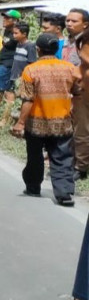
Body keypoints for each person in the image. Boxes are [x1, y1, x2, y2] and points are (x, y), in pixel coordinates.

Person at [11, 32, 80, 206]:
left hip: (36, 124)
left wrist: (20, 123)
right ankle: (64, 193)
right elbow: (79, 92)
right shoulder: (70, 68)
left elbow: (28, 100)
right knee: (62, 158)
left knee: (35, 157)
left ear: (38, 49)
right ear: (57, 48)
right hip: (62, 123)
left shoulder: (31, 70)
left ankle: (33, 187)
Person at [65, 10, 89, 178]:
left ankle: (81, 168)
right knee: (80, 130)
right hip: (79, 91)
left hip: (83, 90)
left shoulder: (84, 40)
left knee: (82, 131)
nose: (69, 23)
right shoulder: (72, 41)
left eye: (74, 21)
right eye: (68, 20)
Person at [8, 23, 38, 120]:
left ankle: (21, 120)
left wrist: (24, 77)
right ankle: (9, 118)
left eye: (16, 33)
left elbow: (31, 64)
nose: (14, 35)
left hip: (22, 78)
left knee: (21, 99)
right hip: (14, 76)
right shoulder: (18, 44)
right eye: (13, 33)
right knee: (11, 97)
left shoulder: (30, 46)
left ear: (24, 34)